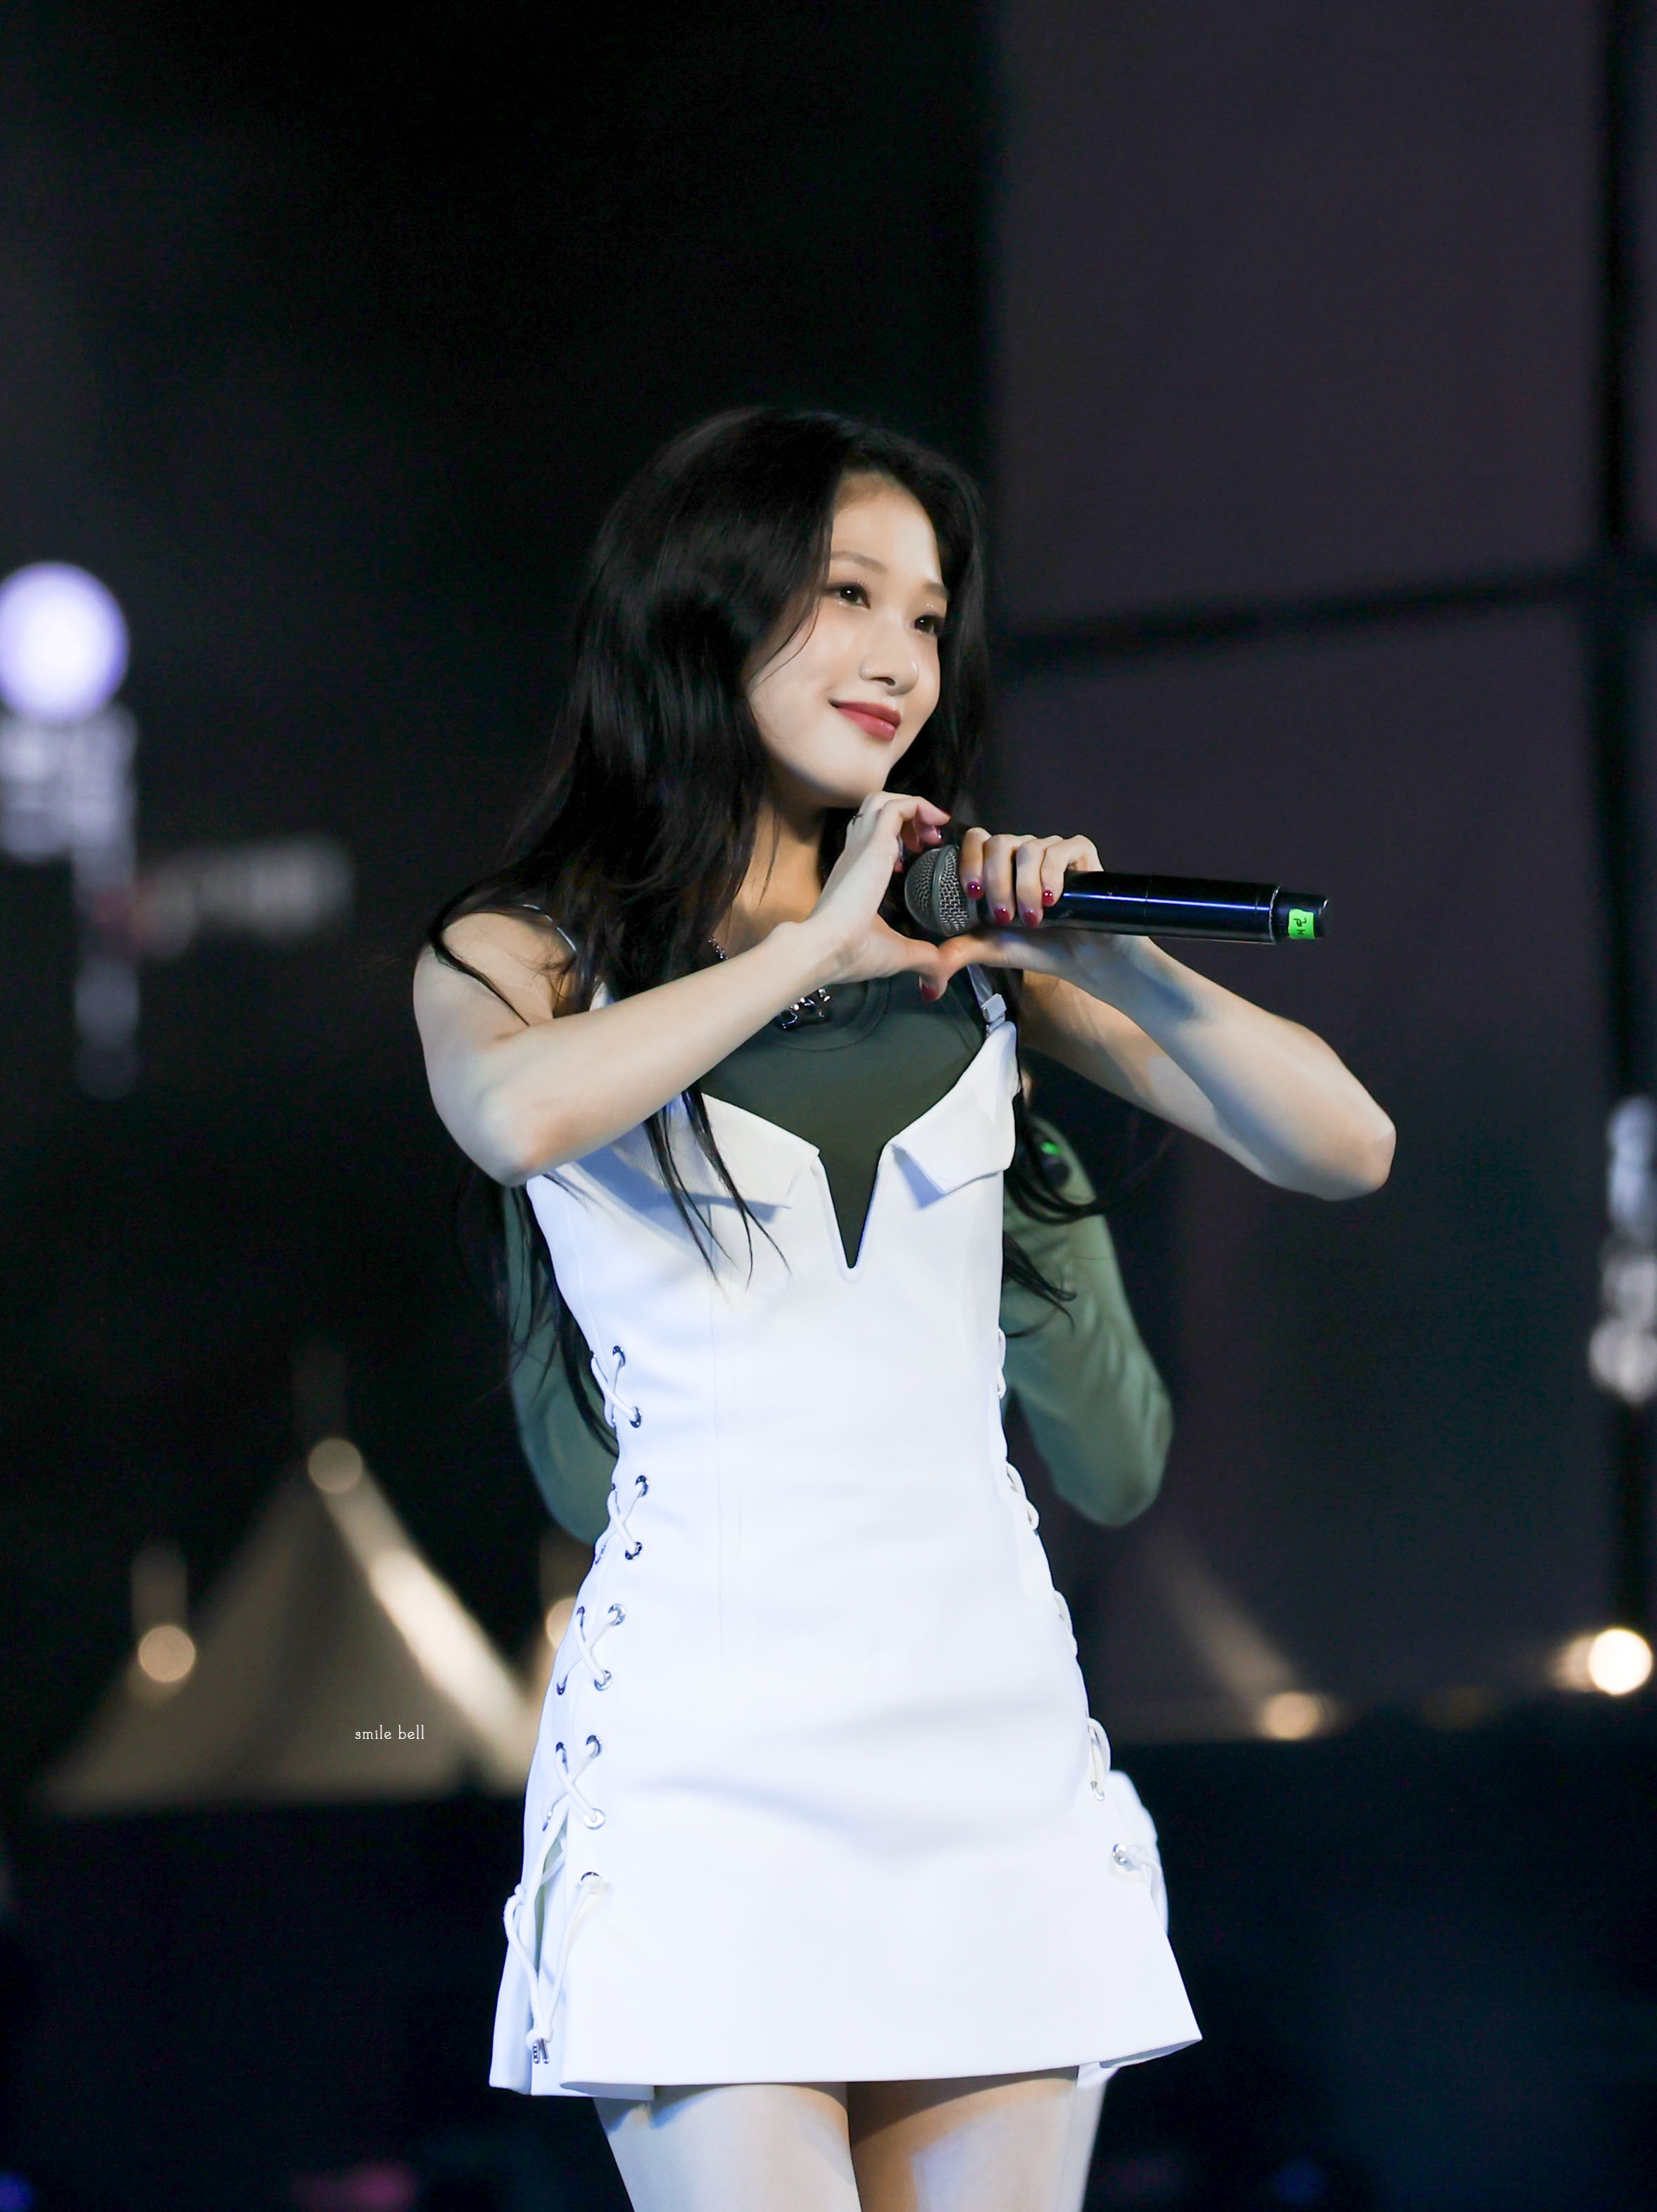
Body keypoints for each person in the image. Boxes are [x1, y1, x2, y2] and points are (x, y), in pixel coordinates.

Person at [413, 408, 1394, 2212]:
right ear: (701, 611)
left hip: (981, 1723)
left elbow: (1345, 1144)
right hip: (709, 1743)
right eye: (847, 594)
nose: (897, 656)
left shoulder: (972, 963)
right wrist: (814, 938)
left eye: (928, 618)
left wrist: (1105, 954)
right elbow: (514, 1115)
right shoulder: (527, 949)